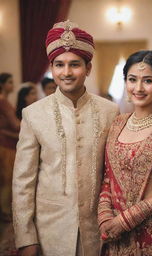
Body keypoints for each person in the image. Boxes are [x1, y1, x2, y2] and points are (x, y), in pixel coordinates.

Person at [12, 20, 119, 256]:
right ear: (51, 68)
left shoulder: (110, 111)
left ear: (88, 68)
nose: (66, 73)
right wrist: (26, 237)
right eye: (59, 65)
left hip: (98, 228)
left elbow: (115, 172)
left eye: (75, 65)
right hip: (51, 228)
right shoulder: (33, 114)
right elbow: (23, 181)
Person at [98, 50, 152, 256]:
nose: (138, 88)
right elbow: (107, 177)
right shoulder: (118, 123)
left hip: (150, 230)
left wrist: (126, 220)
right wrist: (104, 216)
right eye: (132, 80)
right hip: (113, 228)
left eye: (147, 80)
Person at [0, 73, 20, 222]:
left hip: (6, 141)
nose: (12, 85)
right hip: (6, 145)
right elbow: (15, 125)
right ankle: (6, 212)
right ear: (2, 85)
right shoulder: (3, 102)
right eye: (10, 82)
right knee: (8, 179)